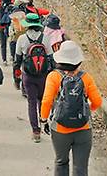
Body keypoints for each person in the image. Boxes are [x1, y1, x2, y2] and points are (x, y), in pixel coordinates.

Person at [40, 41, 103, 176]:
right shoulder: (86, 78)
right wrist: (86, 110)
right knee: (80, 168)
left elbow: (46, 101)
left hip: (60, 129)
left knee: (61, 162)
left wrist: (44, 120)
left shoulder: (53, 76)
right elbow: (97, 101)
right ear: (78, 61)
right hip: (83, 128)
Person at [14, 13, 54, 143]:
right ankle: (45, 122)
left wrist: (17, 78)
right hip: (43, 75)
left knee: (31, 102)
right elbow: (51, 58)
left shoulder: (22, 39)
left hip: (28, 75)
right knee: (42, 100)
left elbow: (17, 60)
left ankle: (36, 131)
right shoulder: (46, 38)